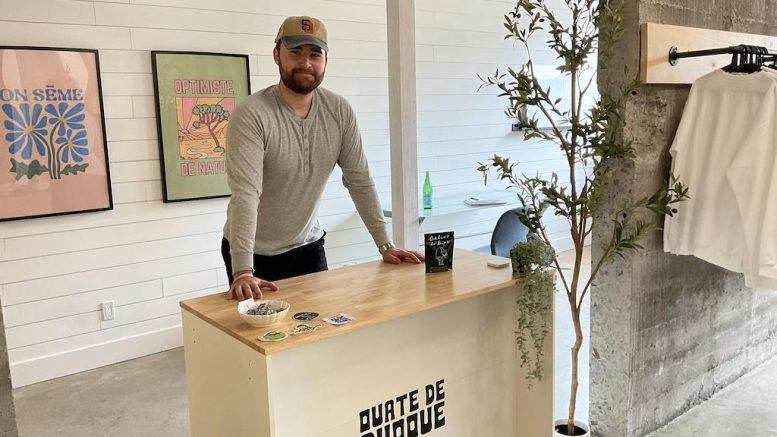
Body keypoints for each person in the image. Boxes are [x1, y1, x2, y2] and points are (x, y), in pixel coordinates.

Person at [222, 15, 424, 301]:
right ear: (277, 55)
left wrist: (386, 245)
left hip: (308, 244)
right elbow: (246, 194)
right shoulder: (253, 114)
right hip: (255, 254)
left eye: (314, 54)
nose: (306, 63)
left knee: (322, 327)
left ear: (325, 60)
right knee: (269, 339)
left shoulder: (339, 111)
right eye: (295, 53)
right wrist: (242, 269)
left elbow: (359, 180)